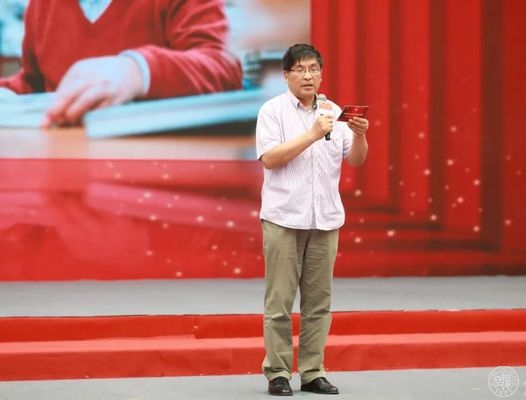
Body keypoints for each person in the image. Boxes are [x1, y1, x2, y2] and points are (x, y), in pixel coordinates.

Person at [255, 43, 369, 396]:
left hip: (325, 220)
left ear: (321, 74)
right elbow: (270, 158)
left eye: (314, 69)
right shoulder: (272, 111)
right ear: (286, 75)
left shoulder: (334, 111)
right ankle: (277, 373)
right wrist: (312, 135)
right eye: (300, 69)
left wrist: (360, 134)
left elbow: (356, 160)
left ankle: (312, 372)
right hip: (283, 218)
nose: (308, 76)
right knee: (279, 302)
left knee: (319, 303)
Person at [0, 0, 243, 127]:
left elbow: (223, 68)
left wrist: (136, 72)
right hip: (65, 164)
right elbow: (34, 81)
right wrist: (7, 91)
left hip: (156, 166)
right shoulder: (41, 5)